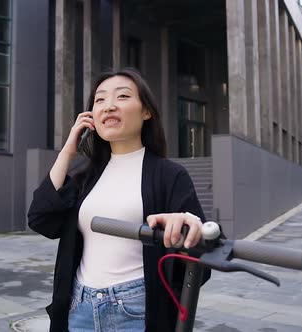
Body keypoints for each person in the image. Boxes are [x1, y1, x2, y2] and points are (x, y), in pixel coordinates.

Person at [28, 68, 213, 332]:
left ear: (146, 111)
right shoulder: (86, 176)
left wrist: (187, 227)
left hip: (136, 310)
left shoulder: (169, 175)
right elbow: (39, 219)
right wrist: (69, 149)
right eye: (100, 100)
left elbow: (200, 256)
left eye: (123, 96)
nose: (109, 106)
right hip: (79, 307)